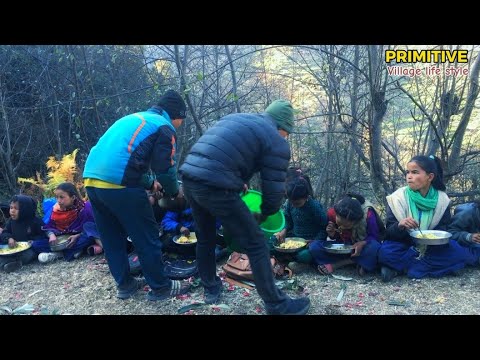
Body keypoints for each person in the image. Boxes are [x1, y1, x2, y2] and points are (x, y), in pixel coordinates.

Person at [180, 99, 311, 315]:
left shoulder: (238, 118)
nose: (286, 137)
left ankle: (211, 288)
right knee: (257, 243)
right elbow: (273, 192)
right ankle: (277, 305)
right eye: (287, 132)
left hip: (190, 178)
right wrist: (265, 214)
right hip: (216, 186)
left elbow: (221, 152)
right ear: (282, 127)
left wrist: (236, 178)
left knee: (205, 236)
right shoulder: (276, 141)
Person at [83, 89, 191, 301]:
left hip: (92, 181)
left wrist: (150, 183)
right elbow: (165, 169)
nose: (179, 125)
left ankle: (125, 285)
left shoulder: (135, 118)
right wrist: (173, 192)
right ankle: (161, 287)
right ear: (176, 115)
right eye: (181, 120)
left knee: (112, 238)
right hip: (119, 184)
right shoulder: (164, 126)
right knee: (146, 235)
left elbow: (128, 159)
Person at [378, 155, 474, 281]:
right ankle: (428, 267)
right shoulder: (398, 198)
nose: (409, 176)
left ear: (430, 177)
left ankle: (401, 268)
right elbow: (388, 233)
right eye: (408, 172)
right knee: (385, 252)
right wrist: (400, 225)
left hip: (431, 248)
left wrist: (432, 240)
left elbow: (444, 229)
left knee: (456, 250)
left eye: (415, 172)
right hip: (404, 244)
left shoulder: (442, 199)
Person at [309, 193, 383, 276]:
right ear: (336, 214)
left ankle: (336, 264)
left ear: (356, 222)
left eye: (346, 226)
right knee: (314, 246)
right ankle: (358, 262)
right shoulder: (332, 213)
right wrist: (332, 235)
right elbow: (337, 237)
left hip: (361, 249)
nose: (342, 227)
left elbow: (375, 237)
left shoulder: (368, 215)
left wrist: (362, 243)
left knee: (374, 247)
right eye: (339, 223)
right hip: (344, 248)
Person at [32, 182, 96, 263]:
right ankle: (70, 252)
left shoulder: (85, 208)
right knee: (36, 244)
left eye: (62, 197)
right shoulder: (55, 210)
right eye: (57, 197)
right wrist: (51, 235)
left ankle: (59, 254)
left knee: (89, 237)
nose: (58, 201)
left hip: (78, 238)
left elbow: (93, 227)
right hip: (61, 239)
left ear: (73, 197)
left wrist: (77, 235)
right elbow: (48, 227)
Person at [274, 176, 327, 268]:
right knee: (272, 242)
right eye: (291, 202)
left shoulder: (314, 207)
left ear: (306, 197)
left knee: (305, 255)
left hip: (310, 242)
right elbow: (288, 221)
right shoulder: (289, 204)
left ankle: (299, 262)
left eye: (297, 203)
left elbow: (324, 227)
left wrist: (315, 240)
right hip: (294, 239)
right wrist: (284, 230)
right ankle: (289, 258)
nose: (294, 205)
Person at [0, 195, 44, 272]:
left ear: (25, 210)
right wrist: (9, 238)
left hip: (29, 248)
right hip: (14, 247)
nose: (12, 211)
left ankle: (16, 263)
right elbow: (5, 232)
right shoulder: (11, 221)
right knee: (3, 254)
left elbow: (43, 235)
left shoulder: (35, 222)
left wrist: (33, 241)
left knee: (28, 254)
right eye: (11, 208)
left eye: (16, 208)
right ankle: (7, 263)